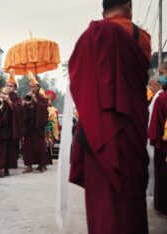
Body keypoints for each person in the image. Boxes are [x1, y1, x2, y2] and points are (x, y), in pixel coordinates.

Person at [68, 0, 151, 233]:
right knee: (131, 202)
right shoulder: (141, 37)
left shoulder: (90, 38)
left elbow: (78, 81)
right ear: (128, 6)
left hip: (97, 135)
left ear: (103, 10)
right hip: (131, 128)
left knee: (102, 205)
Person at [0, 70, 25, 177]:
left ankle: (4, 168)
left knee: (7, 149)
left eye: (11, 86)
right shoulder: (1, 96)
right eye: (7, 85)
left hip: (10, 127)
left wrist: (9, 101)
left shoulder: (16, 98)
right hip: (0, 127)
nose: (8, 87)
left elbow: (20, 111)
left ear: (15, 88)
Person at [148, 62, 167, 218]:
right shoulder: (159, 97)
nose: (160, 77)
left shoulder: (161, 98)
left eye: (162, 73)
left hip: (162, 141)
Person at [22, 71, 48, 173]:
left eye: (34, 86)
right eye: (31, 86)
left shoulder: (42, 98)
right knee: (28, 145)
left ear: (38, 87)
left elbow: (44, 109)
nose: (33, 88)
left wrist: (36, 101)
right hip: (29, 126)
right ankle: (29, 165)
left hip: (38, 126)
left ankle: (41, 165)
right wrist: (25, 104)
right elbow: (24, 112)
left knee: (39, 145)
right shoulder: (27, 95)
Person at [45, 90, 60, 165]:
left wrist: (56, 131)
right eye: (46, 100)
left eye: (49, 100)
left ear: (52, 101)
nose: (48, 101)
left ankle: (49, 160)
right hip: (43, 127)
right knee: (44, 144)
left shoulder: (55, 110)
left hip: (50, 128)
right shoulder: (43, 107)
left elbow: (56, 121)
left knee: (50, 144)